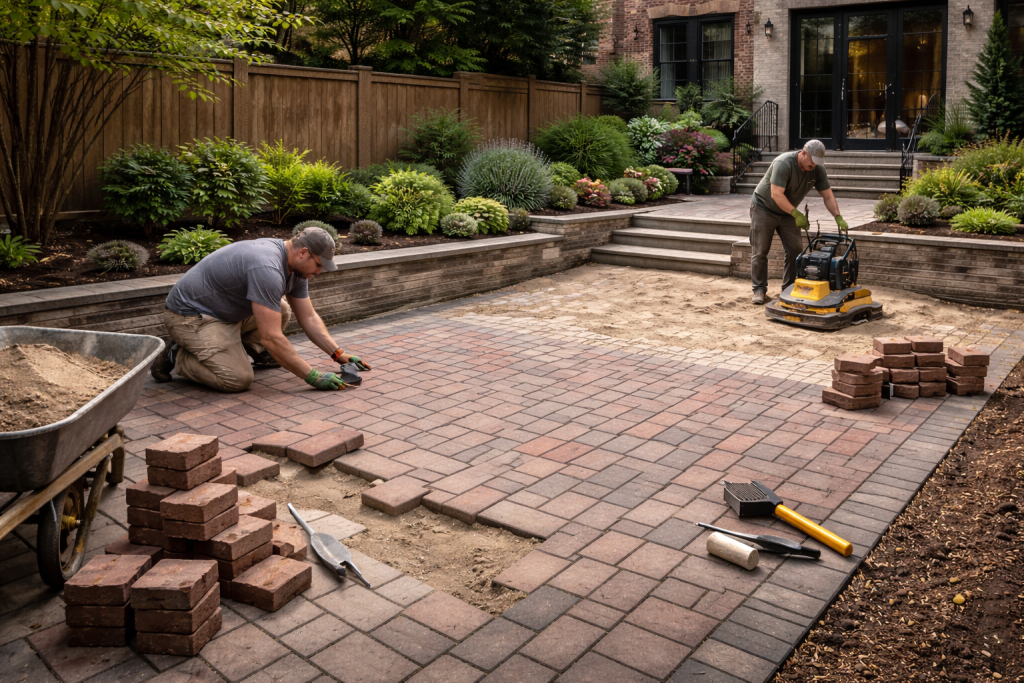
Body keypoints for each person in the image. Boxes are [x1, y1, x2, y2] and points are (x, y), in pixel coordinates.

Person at [151, 226, 365, 392]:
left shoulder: (297, 269)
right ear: (303, 252)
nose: (319, 271)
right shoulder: (268, 267)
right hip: (192, 317)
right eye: (319, 265)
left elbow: (308, 317)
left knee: (281, 310)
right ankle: (176, 354)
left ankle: (255, 352)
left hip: (227, 312)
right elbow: (270, 336)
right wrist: (313, 376)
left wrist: (338, 354)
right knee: (237, 379)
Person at [748, 139, 848, 305]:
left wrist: (838, 216)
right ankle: (759, 289)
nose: (814, 166)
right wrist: (796, 213)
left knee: (796, 250)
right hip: (764, 208)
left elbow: (828, 195)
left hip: (788, 213)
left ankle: (788, 288)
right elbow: (776, 194)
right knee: (760, 251)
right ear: (803, 153)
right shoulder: (784, 163)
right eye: (812, 161)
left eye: (817, 163)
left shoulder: (817, 170)